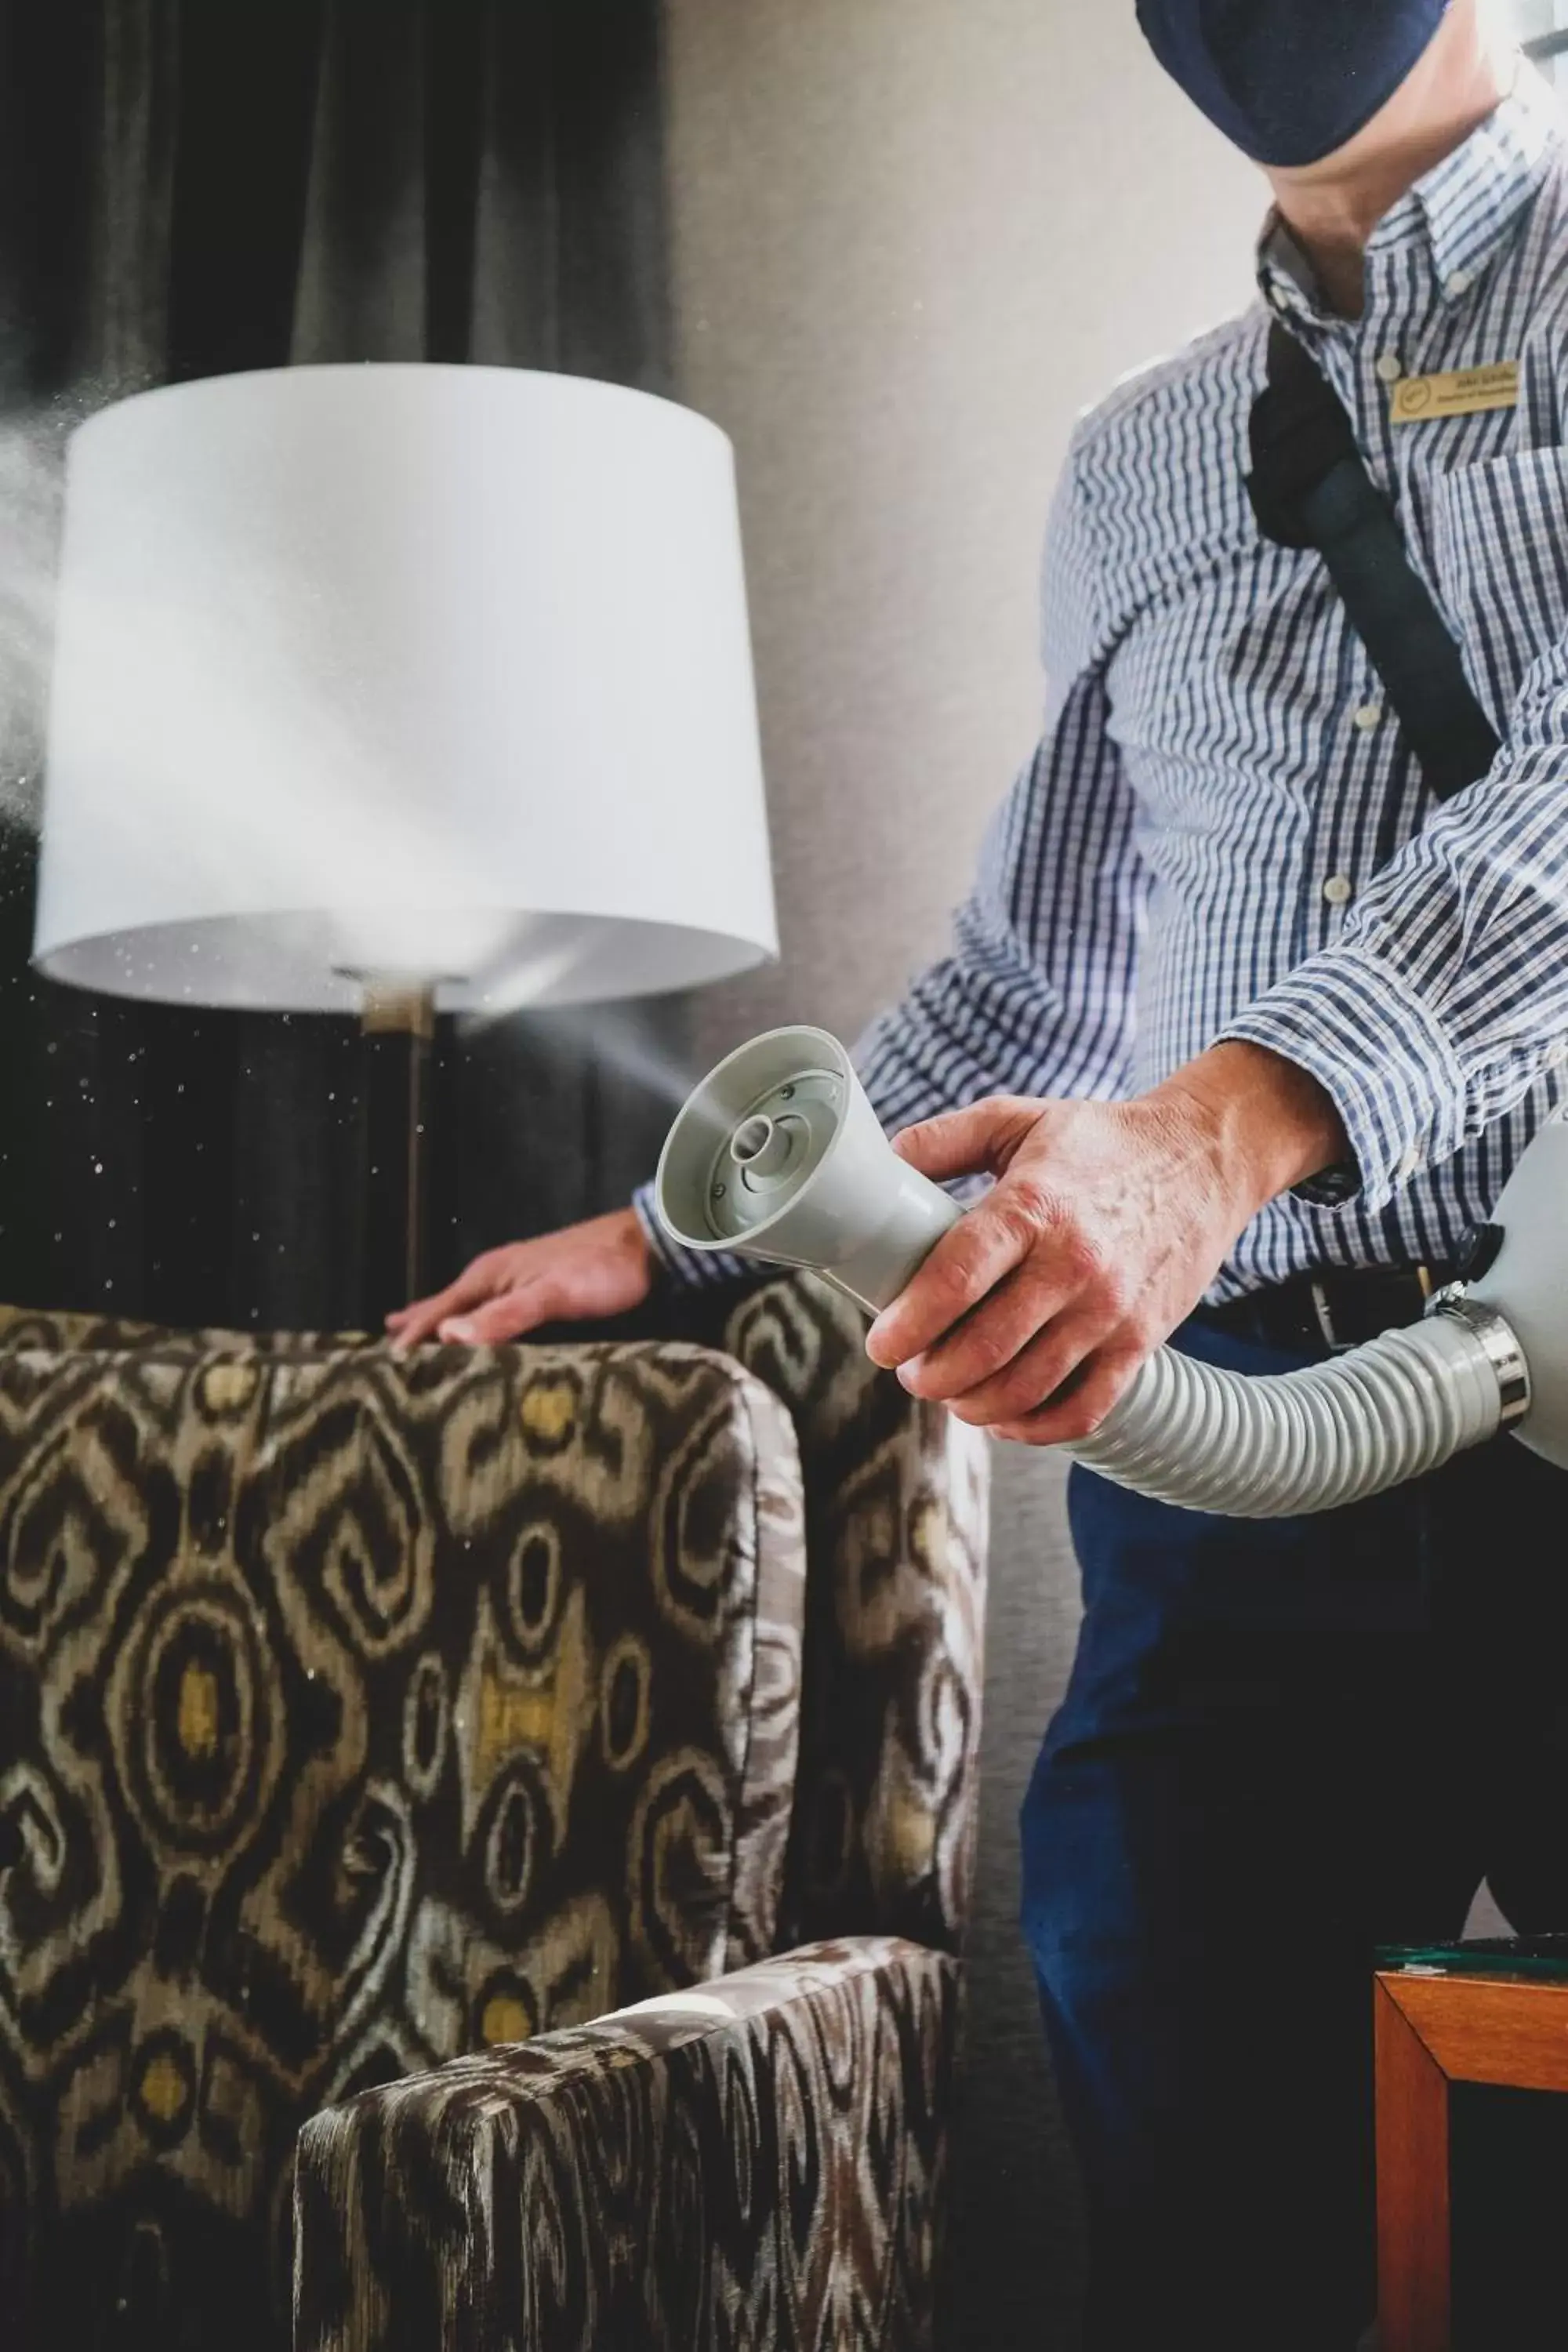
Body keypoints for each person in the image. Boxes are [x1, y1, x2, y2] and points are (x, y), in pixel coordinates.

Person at [391, 5, 1568, 2343]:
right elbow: (1040, 980)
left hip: (1544, 1376)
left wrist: (1224, 1125)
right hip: (1232, 1460)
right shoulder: (1145, 457)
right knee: (1190, 2124)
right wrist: (663, 1233)